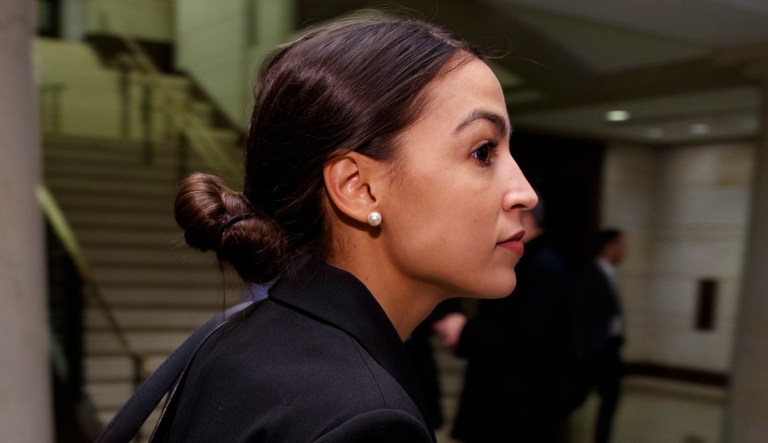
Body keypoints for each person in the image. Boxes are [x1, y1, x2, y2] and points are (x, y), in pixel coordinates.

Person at [159, 16, 538, 442]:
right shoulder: (367, 422)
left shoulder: (233, 340)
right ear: (358, 187)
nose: (525, 194)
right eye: (483, 151)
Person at [434, 201, 577, 443]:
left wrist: (465, 331)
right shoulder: (531, 262)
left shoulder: (543, 269)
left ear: (525, 221)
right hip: (509, 406)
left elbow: (529, 342)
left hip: (518, 413)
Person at [577, 228, 628, 443]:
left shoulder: (608, 275)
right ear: (609, 247)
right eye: (621, 245)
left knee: (611, 397)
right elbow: (580, 312)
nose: (624, 251)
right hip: (595, 349)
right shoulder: (591, 275)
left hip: (609, 348)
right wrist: (580, 348)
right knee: (577, 395)